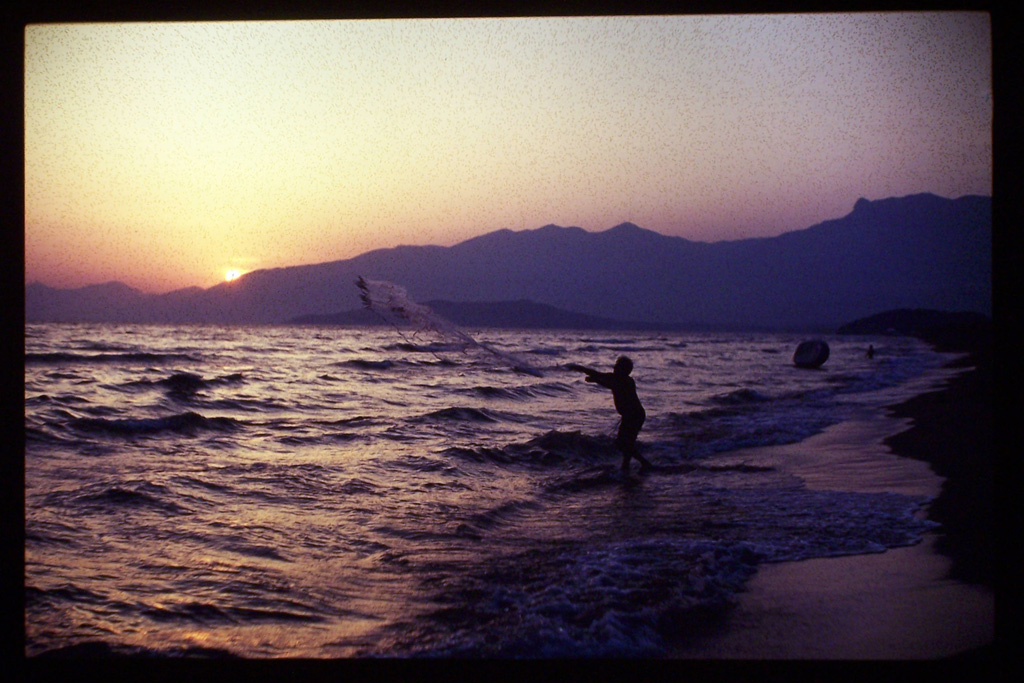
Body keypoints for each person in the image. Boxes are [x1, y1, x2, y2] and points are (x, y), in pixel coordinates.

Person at [570, 356, 651, 472]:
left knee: (622, 443)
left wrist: (580, 368)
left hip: (634, 416)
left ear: (623, 370)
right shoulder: (624, 380)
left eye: (617, 366)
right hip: (633, 415)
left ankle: (644, 463)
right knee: (627, 443)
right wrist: (597, 380)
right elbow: (610, 384)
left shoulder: (623, 380)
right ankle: (626, 467)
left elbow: (601, 376)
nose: (614, 368)